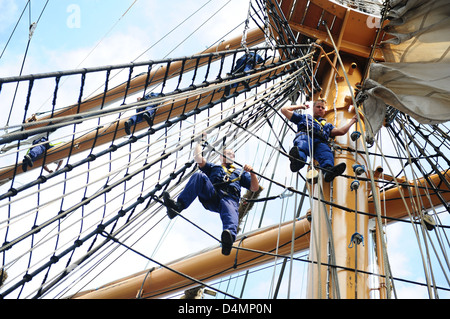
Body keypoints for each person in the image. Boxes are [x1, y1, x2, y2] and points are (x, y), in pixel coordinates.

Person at [162, 136, 259, 255]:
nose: (229, 155)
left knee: (230, 210)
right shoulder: (214, 167)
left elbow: (254, 188)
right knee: (199, 176)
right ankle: (178, 206)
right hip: (212, 194)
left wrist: (252, 173)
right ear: (221, 156)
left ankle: (228, 239)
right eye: (227, 153)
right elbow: (198, 159)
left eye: (232, 155)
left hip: (230, 198)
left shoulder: (240, 172)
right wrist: (199, 142)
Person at [280, 99, 357, 182]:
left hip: (320, 142)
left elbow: (341, 131)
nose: (320, 109)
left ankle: (328, 171)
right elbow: (284, 110)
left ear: (325, 111)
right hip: (306, 135)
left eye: (323, 108)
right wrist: (301, 106)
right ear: (313, 108)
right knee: (303, 143)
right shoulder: (304, 118)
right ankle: (298, 160)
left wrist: (352, 121)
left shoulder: (327, 126)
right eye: (318, 107)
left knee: (326, 152)